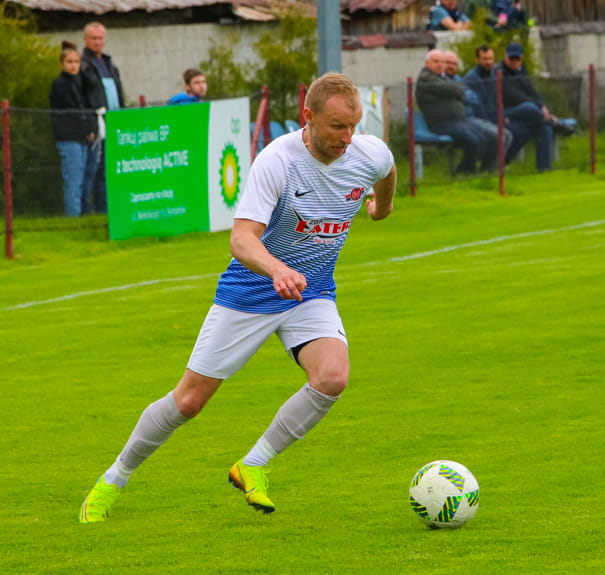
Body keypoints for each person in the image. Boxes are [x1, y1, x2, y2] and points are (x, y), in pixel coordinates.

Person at [78, 73, 398, 523]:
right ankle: (113, 479)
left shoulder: (366, 153)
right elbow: (242, 241)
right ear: (308, 117)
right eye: (337, 127)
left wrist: (380, 208)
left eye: (353, 126)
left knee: (333, 376)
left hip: (312, 291)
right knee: (189, 401)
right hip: (251, 290)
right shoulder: (278, 162)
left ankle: (253, 464)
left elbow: (385, 171)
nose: (347, 138)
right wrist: (277, 269)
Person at [496, 42, 574, 172]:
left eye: (517, 58)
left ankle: (544, 170)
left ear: (521, 58)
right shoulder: (500, 72)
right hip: (508, 112)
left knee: (544, 129)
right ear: (505, 57)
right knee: (529, 107)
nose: (514, 61)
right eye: (511, 58)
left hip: (529, 115)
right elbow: (512, 95)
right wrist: (538, 106)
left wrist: (545, 107)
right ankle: (554, 124)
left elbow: (533, 92)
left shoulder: (522, 72)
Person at [416, 50, 492, 174]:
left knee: (481, 137)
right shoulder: (426, 78)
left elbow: (458, 90)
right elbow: (454, 89)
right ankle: (465, 171)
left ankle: (470, 170)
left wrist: (455, 90)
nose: (440, 65)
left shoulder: (440, 77)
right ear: (427, 63)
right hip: (441, 124)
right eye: (436, 61)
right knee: (472, 141)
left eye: (442, 62)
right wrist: (456, 90)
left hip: (456, 122)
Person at [49, 42, 99, 218]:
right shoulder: (60, 85)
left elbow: (88, 105)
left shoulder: (80, 82)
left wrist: (90, 129)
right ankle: (73, 218)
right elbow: (72, 109)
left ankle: (85, 213)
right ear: (62, 64)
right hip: (69, 137)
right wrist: (87, 129)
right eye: (70, 62)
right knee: (74, 180)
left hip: (82, 137)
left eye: (77, 62)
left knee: (85, 177)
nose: (74, 65)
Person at [80, 21, 124, 215]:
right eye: (93, 38)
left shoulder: (109, 64)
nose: (97, 42)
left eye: (100, 38)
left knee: (111, 167)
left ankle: (110, 208)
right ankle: (96, 210)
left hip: (115, 121)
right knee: (96, 169)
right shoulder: (83, 65)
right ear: (85, 40)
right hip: (98, 123)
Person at [442, 50, 512, 169]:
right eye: (448, 62)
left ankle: (489, 170)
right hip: (461, 121)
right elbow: (460, 98)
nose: (451, 66)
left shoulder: (459, 79)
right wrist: (463, 95)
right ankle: (485, 170)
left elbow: (474, 98)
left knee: (507, 135)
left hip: (472, 117)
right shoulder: (443, 81)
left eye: (454, 63)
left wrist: (462, 96)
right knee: (497, 136)